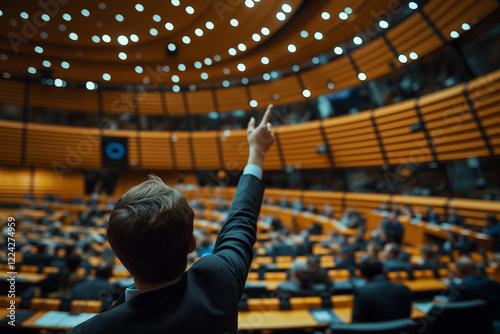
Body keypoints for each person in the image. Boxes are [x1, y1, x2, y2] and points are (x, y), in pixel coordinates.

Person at [68, 105, 275, 334]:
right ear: (191, 244)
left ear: (118, 253)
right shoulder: (217, 280)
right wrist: (257, 152)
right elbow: (241, 222)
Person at [352, 258, 412, 323]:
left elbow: (357, 323)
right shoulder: (404, 289)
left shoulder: (361, 292)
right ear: (383, 271)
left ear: (362, 275)